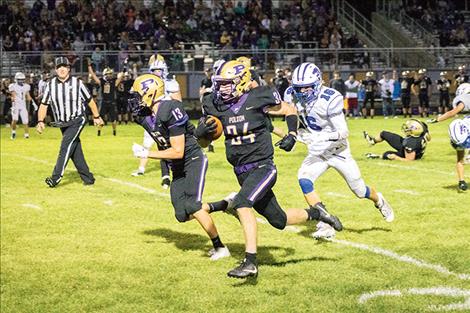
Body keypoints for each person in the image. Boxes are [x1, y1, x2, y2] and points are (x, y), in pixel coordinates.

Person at [197, 60, 343, 278]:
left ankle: (250, 262)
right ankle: (318, 213)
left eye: (228, 83)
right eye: (220, 83)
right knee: (279, 220)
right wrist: (201, 134)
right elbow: (203, 143)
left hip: (263, 166)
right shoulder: (213, 104)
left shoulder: (258, 96)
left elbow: (289, 109)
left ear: (242, 81)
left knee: (242, 204)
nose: (222, 88)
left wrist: (292, 134)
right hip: (241, 171)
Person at [129, 73, 232, 263]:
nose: (135, 100)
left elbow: (177, 151)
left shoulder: (170, 109)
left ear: (150, 94)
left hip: (192, 159)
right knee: (181, 215)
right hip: (176, 166)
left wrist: (146, 153)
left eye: (137, 95)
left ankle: (220, 247)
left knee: (192, 205)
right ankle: (225, 204)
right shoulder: (143, 116)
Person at [288, 62, 394, 239]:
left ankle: (379, 200)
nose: (303, 93)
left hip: (338, 151)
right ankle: (324, 221)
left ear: (318, 83)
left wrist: (320, 137)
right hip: (318, 152)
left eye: (307, 88)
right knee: (304, 179)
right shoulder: (293, 96)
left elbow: (344, 132)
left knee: (360, 191)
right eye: (299, 88)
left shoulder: (331, 98)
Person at [36, 57, 104, 187]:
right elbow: (44, 105)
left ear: (69, 69)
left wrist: (96, 116)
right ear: (55, 70)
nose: (62, 69)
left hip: (77, 119)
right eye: (59, 67)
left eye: (64, 67)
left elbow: (90, 100)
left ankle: (55, 178)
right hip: (63, 123)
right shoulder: (50, 85)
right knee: (75, 150)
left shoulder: (77, 83)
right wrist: (40, 121)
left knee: (65, 146)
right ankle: (88, 178)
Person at [131, 54, 174, 189]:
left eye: (159, 70)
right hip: (151, 117)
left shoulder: (171, 83)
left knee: (167, 144)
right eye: (154, 70)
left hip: (166, 118)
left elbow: (177, 101)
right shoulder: (148, 83)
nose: (157, 73)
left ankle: (170, 175)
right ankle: (142, 169)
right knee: (149, 143)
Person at [428, 83, 470, 191]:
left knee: (460, 157)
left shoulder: (464, 99)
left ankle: (461, 181)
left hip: (465, 132)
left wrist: (438, 119)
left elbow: (453, 112)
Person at [364, 119, 431, 161]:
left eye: (408, 128)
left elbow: (410, 160)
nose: (406, 129)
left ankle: (378, 156)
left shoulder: (411, 142)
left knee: (387, 154)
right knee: (384, 134)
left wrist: (396, 158)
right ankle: (372, 141)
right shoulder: (422, 131)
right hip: (412, 148)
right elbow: (428, 136)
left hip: (410, 154)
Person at [88, 63, 123, 136]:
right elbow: (94, 76)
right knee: (100, 118)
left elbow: (120, 78)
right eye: (108, 74)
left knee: (113, 119)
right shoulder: (102, 81)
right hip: (104, 102)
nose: (109, 75)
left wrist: (123, 68)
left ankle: (114, 131)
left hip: (111, 102)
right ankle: (99, 132)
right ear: (104, 74)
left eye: (110, 74)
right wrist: (89, 67)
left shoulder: (113, 82)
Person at [8, 72, 35, 139]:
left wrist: (33, 103)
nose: (21, 81)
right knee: (15, 119)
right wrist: (13, 98)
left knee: (25, 120)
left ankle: (26, 135)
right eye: (19, 79)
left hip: (23, 105)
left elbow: (28, 96)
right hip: (15, 105)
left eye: (22, 79)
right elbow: (13, 94)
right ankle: (13, 132)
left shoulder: (26, 86)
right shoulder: (13, 86)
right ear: (16, 79)